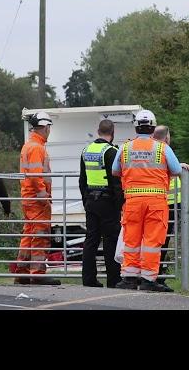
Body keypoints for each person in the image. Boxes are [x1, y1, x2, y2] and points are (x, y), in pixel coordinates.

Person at [112, 110, 182, 292]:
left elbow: (114, 170)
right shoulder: (162, 148)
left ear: (136, 127)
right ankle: (148, 280)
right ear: (152, 127)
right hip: (156, 202)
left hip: (133, 201)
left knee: (131, 240)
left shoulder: (125, 147)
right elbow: (176, 170)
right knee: (152, 241)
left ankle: (128, 278)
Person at [14, 111, 61, 285]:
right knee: (40, 235)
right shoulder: (36, 148)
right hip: (37, 201)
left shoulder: (30, 145)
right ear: (45, 127)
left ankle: (23, 272)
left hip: (30, 199)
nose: (49, 131)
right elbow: (35, 176)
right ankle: (38, 273)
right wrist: (44, 197)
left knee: (28, 235)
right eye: (49, 127)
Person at [79, 119, 124, 288]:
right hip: (107, 202)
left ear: (98, 131)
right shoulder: (111, 151)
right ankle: (113, 280)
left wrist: (85, 200)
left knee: (91, 240)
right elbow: (116, 183)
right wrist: (119, 205)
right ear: (112, 133)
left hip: (91, 200)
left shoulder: (86, 150)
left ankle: (88, 279)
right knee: (110, 240)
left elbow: (82, 180)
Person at [152, 125, 189, 286]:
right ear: (167, 137)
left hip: (165, 203)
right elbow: (171, 169)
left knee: (158, 242)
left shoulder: (154, 151)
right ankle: (157, 276)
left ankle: (155, 274)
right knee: (161, 242)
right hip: (166, 204)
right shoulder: (163, 149)